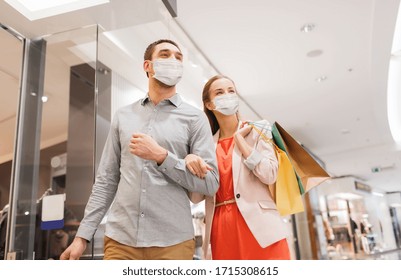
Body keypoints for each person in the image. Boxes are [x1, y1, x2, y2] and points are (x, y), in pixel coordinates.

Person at [60, 39, 219, 260]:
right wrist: (82, 237)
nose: (173, 60)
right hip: (120, 241)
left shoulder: (195, 118)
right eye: (165, 55)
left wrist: (163, 157)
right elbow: (106, 180)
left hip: (172, 242)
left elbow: (211, 183)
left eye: (178, 57)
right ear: (147, 66)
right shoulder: (123, 116)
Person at [188, 75, 290, 260]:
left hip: (260, 226)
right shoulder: (205, 145)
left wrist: (241, 142)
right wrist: (191, 164)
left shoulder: (259, 129)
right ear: (209, 104)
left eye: (231, 91)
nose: (227, 95)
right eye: (219, 92)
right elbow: (196, 197)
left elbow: (270, 174)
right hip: (220, 227)